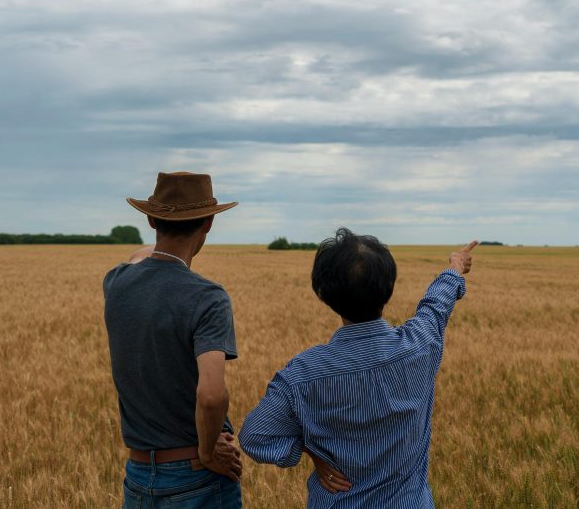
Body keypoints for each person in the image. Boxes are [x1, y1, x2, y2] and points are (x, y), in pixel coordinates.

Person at [239, 228, 478, 507]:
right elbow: (436, 305)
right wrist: (455, 267)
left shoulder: (302, 374)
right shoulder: (420, 345)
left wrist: (310, 451)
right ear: (388, 288)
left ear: (323, 293)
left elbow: (254, 436)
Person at [103, 171, 243, 508]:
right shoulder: (208, 298)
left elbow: (140, 254)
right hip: (195, 475)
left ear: (151, 220)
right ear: (209, 222)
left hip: (137, 477)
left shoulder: (116, 283)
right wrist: (209, 452)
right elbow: (211, 396)